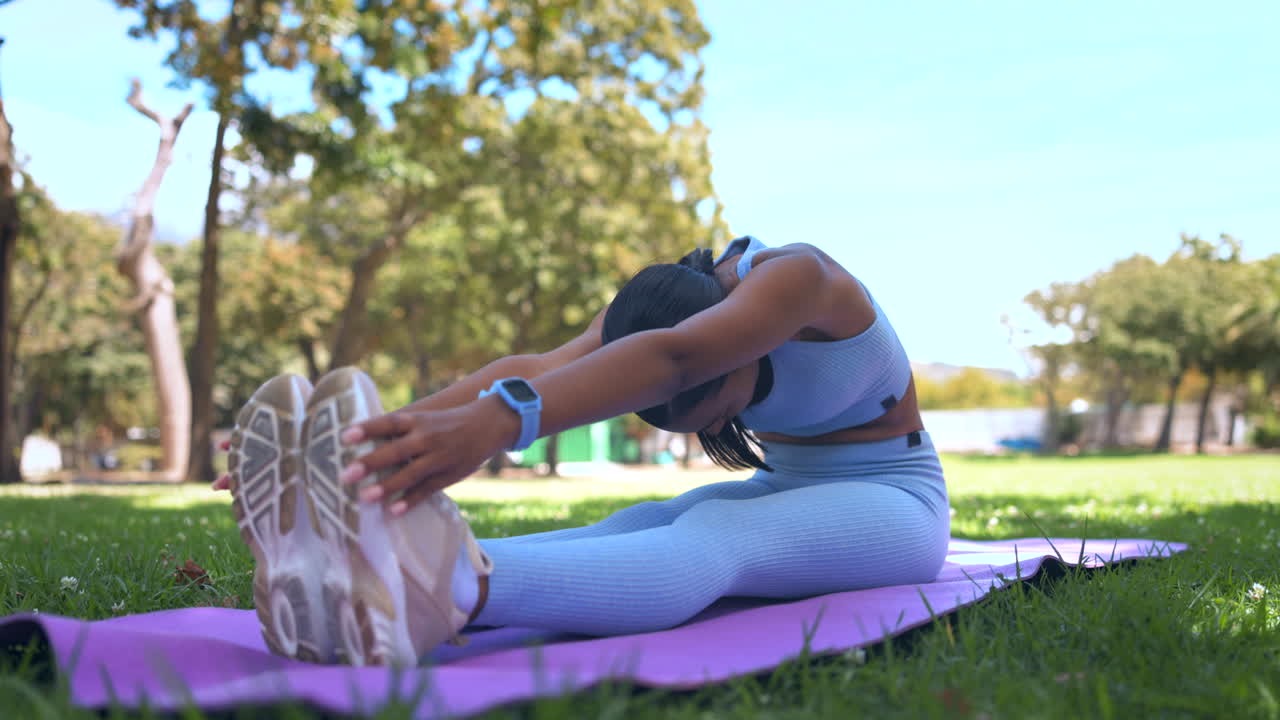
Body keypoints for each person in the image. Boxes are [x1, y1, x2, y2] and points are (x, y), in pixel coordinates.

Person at [214, 236, 950, 666]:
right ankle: (367, 568)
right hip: (791, 487)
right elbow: (537, 368)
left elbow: (677, 359)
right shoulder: (660, 298)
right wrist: (368, 442)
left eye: (706, 407)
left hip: (898, 503)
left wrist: (498, 426)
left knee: (716, 538)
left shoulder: (799, 280)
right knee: (634, 523)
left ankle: (446, 592)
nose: (695, 426)